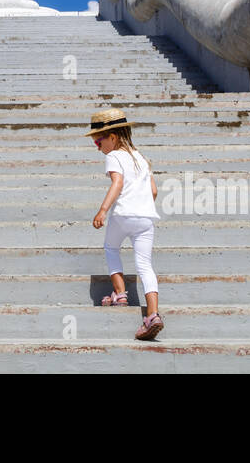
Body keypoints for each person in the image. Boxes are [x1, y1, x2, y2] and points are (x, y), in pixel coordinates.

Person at [87, 107, 165, 341]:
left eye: (98, 142)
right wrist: (142, 206)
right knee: (145, 265)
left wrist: (102, 210)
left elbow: (117, 183)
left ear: (112, 137)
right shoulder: (140, 156)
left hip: (123, 215)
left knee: (111, 248)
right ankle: (152, 315)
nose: (98, 148)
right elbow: (153, 190)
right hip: (146, 218)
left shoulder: (114, 156)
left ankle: (120, 293)